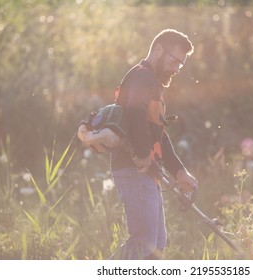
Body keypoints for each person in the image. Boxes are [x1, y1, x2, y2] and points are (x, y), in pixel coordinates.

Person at [111, 29, 198, 259]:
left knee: (156, 245)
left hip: (148, 171)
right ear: (158, 49)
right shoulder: (142, 76)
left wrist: (179, 171)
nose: (177, 68)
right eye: (174, 60)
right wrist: (142, 153)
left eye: (181, 64)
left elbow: (158, 135)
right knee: (145, 244)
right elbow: (134, 110)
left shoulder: (153, 83)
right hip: (134, 168)